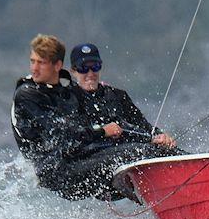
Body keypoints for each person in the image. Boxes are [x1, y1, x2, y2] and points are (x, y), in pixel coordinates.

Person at [11, 35, 172, 201]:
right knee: (137, 153)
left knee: (158, 150)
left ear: (57, 65)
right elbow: (63, 133)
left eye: (41, 62)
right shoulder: (28, 95)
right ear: (73, 69)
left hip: (81, 160)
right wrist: (103, 131)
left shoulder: (67, 90)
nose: (34, 68)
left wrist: (156, 137)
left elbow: (118, 127)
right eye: (32, 61)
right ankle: (132, 183)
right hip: (58, 173)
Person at [68, 42, 176, 148]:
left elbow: (144, 126)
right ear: (73, 71)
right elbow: (71, 137)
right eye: (83, 68)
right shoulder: (67, 99)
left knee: (162, 148)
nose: (90, 73)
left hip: (127, 151)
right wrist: (103, 131)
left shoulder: (118, 95)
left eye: (95, 67)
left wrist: (160, 136)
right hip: (90, 157)